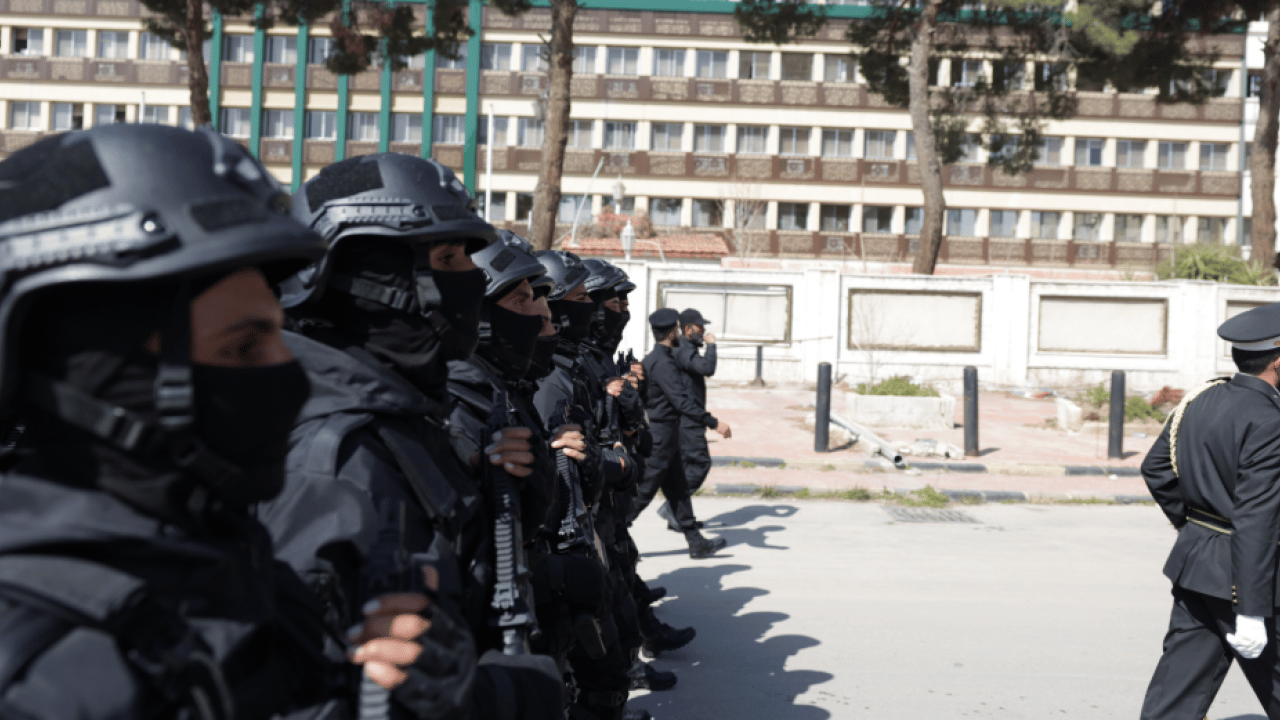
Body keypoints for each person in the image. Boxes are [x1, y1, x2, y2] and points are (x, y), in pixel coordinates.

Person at [0, 124, 442, 719]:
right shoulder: (39, 667)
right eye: (242, 348)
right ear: (99, 371)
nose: (289, 380)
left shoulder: (232, 566)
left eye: (278, 339)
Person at [261, 153, 562, 719]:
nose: (470, 279)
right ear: (374, 281)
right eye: (447, 258)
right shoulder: (329, 465)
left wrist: (517, 486)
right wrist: (501, 697)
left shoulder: (402, 422)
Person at [1141, 302, 1280, 719]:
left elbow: (1156, 468)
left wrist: (1199, 528)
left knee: (1176, 698)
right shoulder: (1270, 420)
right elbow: (1257, 516)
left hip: (1197, 565)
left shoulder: (1201, 398)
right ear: (1278, 360)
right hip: (1251, 581)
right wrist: (1251, 611)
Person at [629, 309, 729, 559]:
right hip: (660, 439)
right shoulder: (663, 362)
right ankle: (610, 538)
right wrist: (713, 422)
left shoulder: (652, 358)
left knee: (679, 491)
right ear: (674, 332)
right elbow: (681, 401)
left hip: (666, 437)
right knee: (642, 494)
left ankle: (696, 542)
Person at [659, 307, 717, 531]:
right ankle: (671, 507)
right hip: (688, 419)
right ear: (688, 329)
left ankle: (679, 517)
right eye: (700, 327)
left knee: (684, 469)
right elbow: (707, 368)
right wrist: (711, 346)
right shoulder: (684, 348)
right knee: (700, 463)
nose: (703, 331)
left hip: (686, 417)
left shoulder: (686, 347)